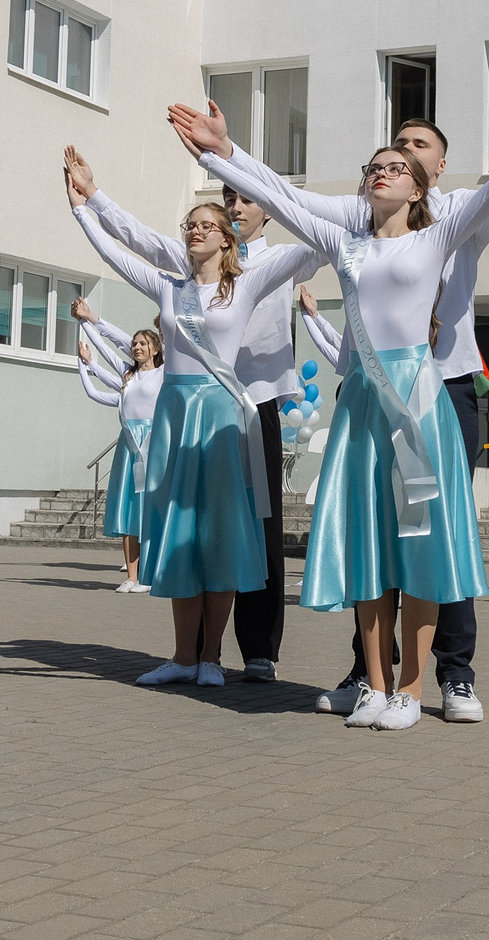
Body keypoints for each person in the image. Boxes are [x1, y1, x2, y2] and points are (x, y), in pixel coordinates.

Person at [186, 82, 489, 728]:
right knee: (369, 537)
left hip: (419, 398)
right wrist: (223, 154)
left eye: (399, 163)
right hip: (364, 401)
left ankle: (420, 686)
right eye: (376, 165)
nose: (384, 169)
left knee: (420, 538)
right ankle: (372, 680)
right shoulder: (347, 241)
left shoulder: (443, 230)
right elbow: (284, 196)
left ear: (422, 183)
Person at [68, 170, 318, 689]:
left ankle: (215, 657)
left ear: (228, 236)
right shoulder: (170, 284)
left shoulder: (250, 279)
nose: (196, 230)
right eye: (192, 223)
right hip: (177, 418)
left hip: (229, 413)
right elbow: (122, 250)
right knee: (182, 533)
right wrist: (84, 208)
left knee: (224, 532)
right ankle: (184, 656)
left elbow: (316, 242)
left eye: (209, 223)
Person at [75, 296, 163, 592]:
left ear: (156, 348)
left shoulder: (164, 374)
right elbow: (105, 349)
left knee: (150, 509)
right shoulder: (128, 375)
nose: (136, 347)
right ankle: (132, 576)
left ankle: (154, 573)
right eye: (134, 344)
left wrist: (94, 318)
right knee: (129, 509)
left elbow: (118, 338)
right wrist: (85, 324)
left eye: (142, 344)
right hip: (129, 447)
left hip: (152, 446)